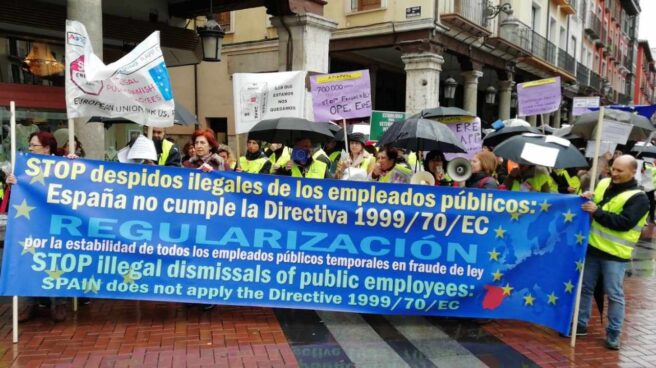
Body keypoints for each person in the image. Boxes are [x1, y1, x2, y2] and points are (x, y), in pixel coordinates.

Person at [578, 155, 649, 350]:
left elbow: (624, 223)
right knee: (585, 288)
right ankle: (580, 324)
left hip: (615, 255)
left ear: (633, 172)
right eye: (613, 169)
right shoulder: (603, 183)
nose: (614, 173)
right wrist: (586, 197)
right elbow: (594, 203)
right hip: (592, 248)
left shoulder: (639, 198)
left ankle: (613, 334)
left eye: (620, 170)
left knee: (614, 294)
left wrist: (596, 211)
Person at [7, 131, 68, 322]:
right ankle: (30, 302)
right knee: (30, 258)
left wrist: (76, 161)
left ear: (47, 148)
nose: (30, 148)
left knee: (56, 260)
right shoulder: (24, 166)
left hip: (55, 222)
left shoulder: (64, 166)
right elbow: (20, 192)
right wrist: (12, 184)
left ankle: (59, 302)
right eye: (30, 145)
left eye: (34, 145)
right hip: (31, 222)